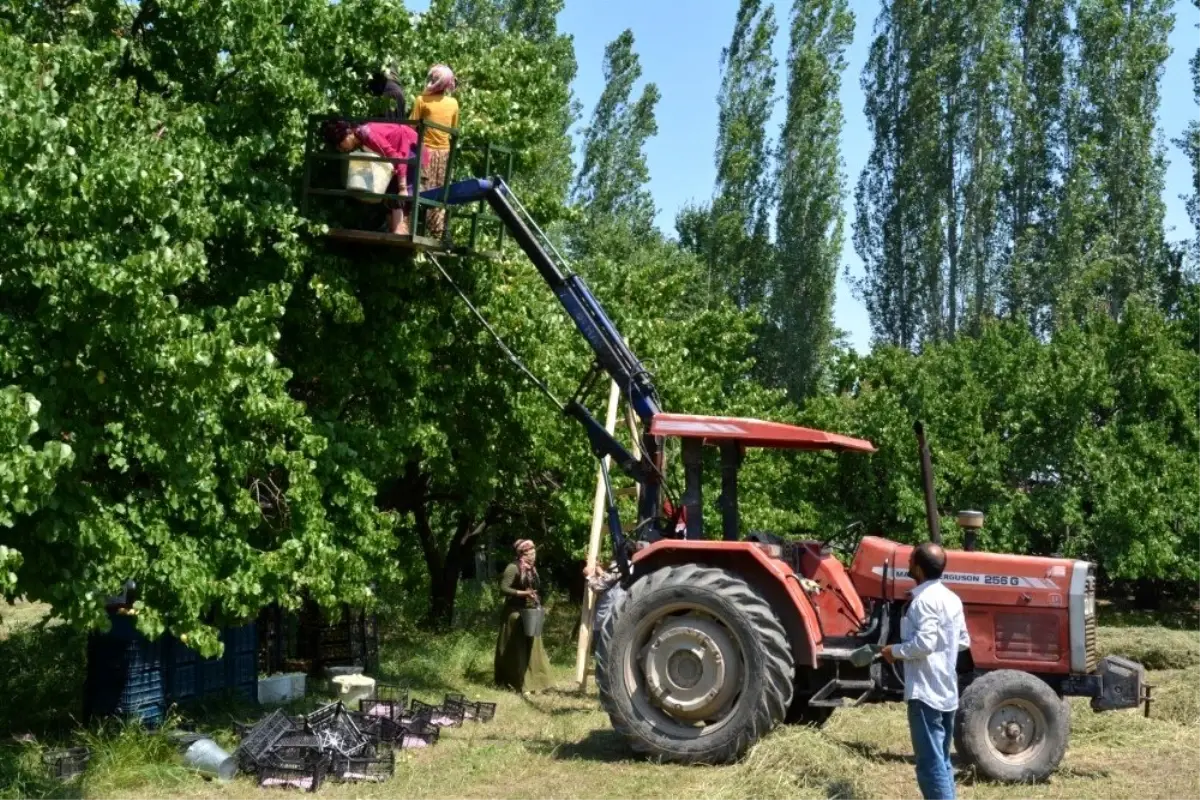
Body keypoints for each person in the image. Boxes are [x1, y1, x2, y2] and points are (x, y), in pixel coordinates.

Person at [881, 543, 971, 800]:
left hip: (925, 691)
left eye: (910, 562)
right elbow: (963, 640)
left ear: (918, 568)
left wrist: (894, 651)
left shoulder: (922, 601)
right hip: (947, 690)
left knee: (929, 765)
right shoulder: (952, 599)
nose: (908, 566)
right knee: (941, 760)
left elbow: (925, 645)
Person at [322, 118, 425, 235]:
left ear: (349, 133)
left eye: (340, 143)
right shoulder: (360, 139)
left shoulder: (369, 135)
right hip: (399, 154)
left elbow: (398, 158)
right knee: (389, 191)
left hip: (411, 149)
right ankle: (396, 228)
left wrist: (402, 187)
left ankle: (399, 230)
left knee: (399, 192)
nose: (340, 149)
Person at [493, 539, 553, 694]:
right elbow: (503, 589)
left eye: (534, 553)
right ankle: (516, 682)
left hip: (530, 611)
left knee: (534, 645)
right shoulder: (513, 568)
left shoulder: (531, 569)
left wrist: (534, 598)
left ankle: (537, 682)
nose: (534, 556)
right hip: (514, 612)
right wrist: (523, 593)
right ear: (522, 553)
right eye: (531, 553)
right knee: (517, 648)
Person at [408, 64, 460, 238]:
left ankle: (412, 226)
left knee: (419, 189)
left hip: (425, 152)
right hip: (444, 154)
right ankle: (437, 231)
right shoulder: (453, 103)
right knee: (439, 191)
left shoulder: (421, 100)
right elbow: (454, 130)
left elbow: (411, 127)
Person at [583, 560, 627, 649]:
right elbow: (608, 580)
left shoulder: (623, 564)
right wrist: (601, 571)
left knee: (603, 648)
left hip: (606, 618)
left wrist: (589, 575)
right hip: (613, 616)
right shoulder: (630, 565)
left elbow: (599, 586)